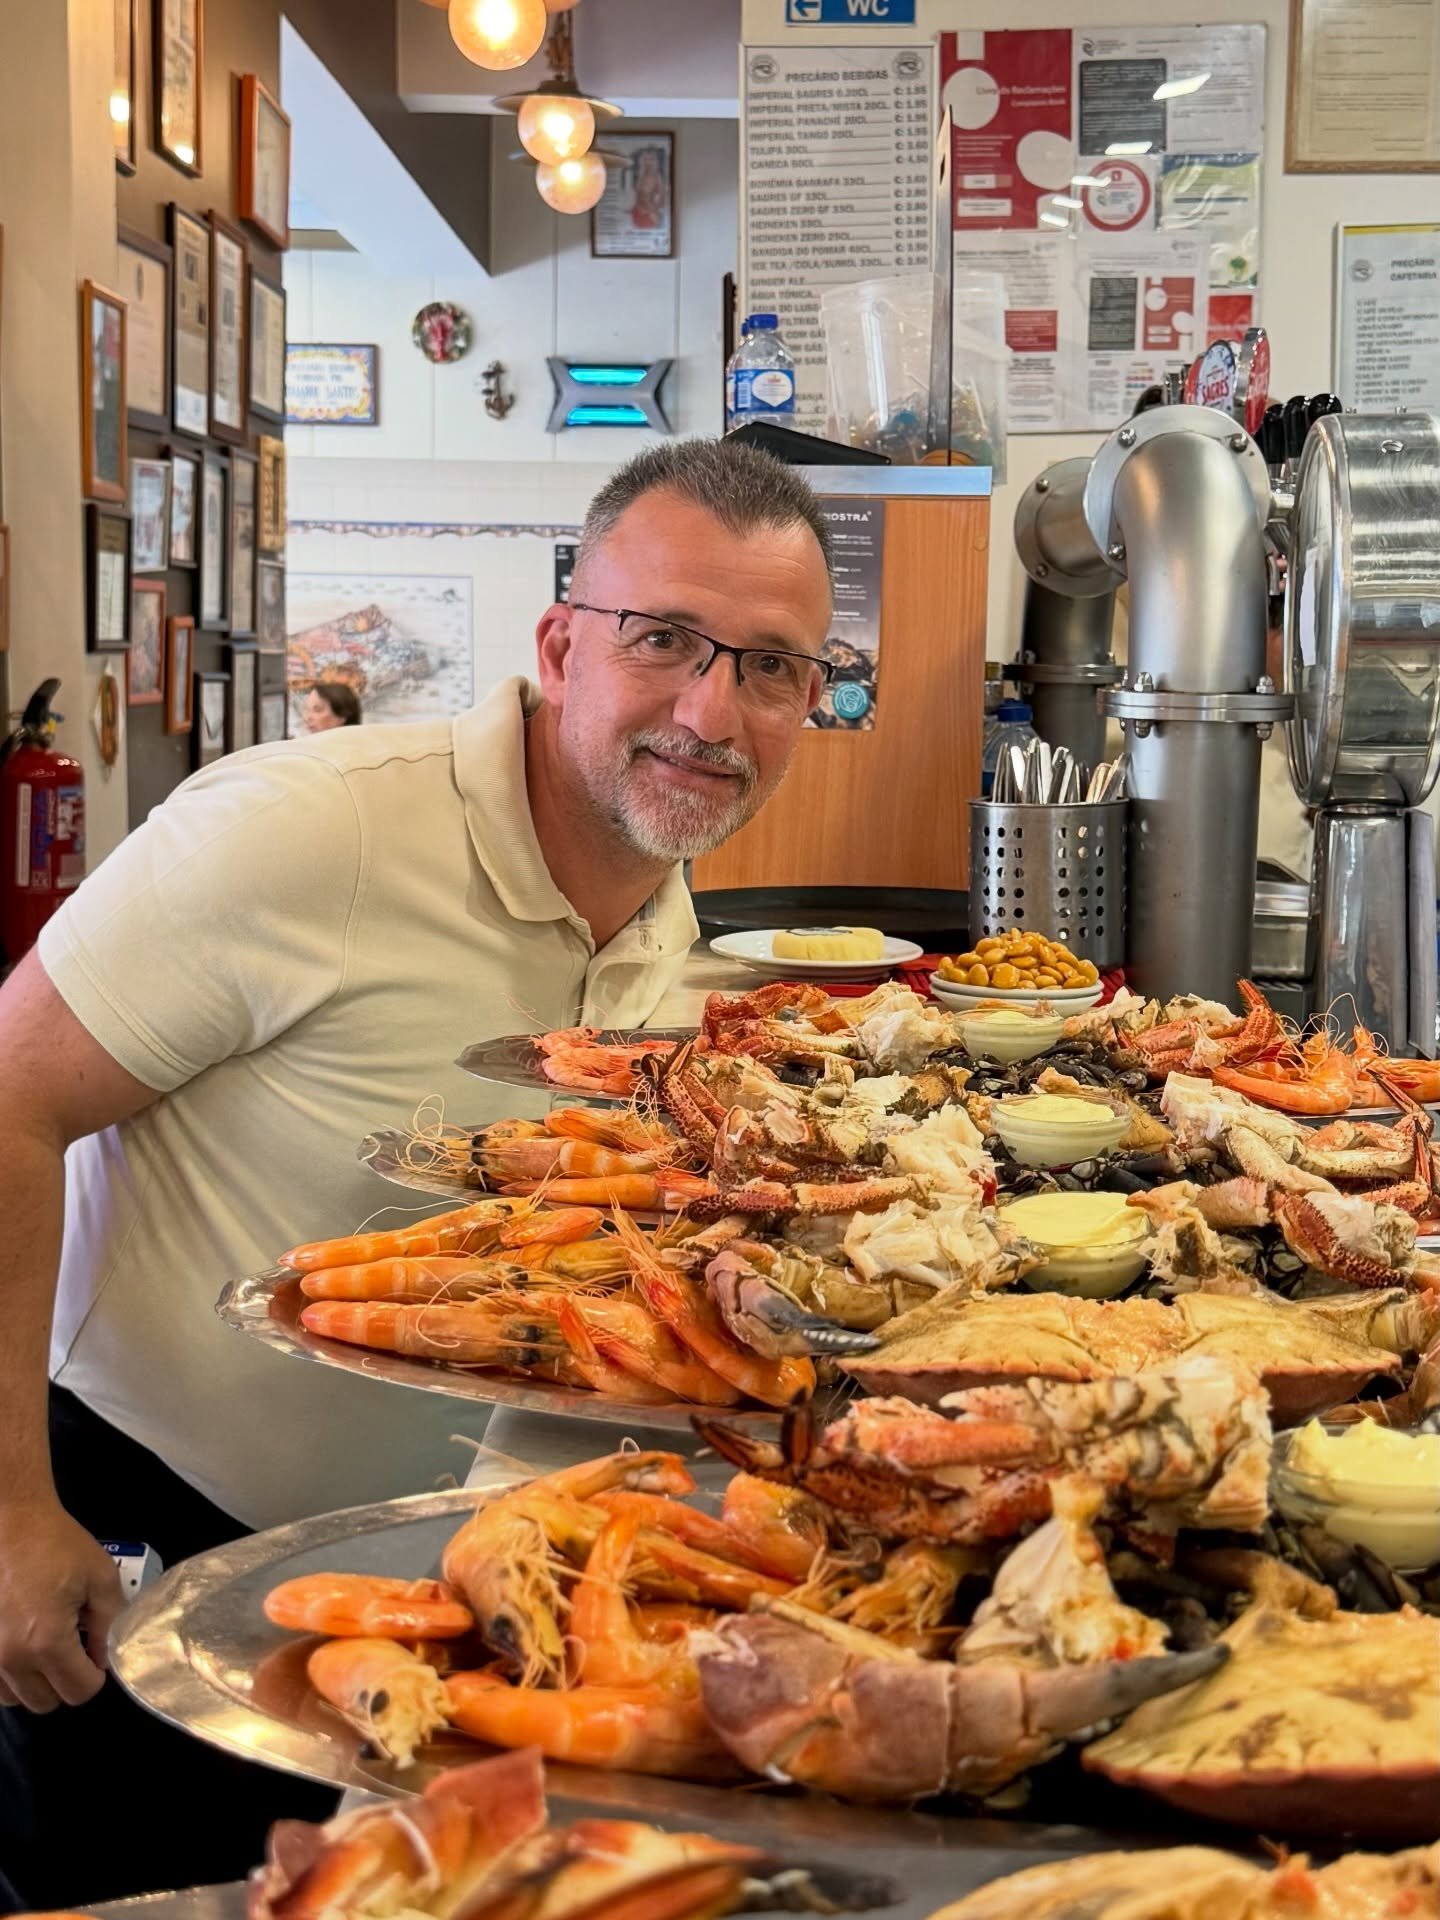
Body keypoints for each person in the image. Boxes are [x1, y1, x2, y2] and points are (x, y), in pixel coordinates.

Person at [0, 437, 833, 1910]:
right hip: (139, 1530)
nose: (713, 712)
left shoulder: (662, 909)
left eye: (771, 668)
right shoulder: (304, 832)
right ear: (561, 645)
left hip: (432, 1583)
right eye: (665, 641)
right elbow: (10, 1102)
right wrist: (7, 1512)